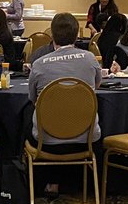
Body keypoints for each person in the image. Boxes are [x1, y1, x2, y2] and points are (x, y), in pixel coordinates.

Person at [28, 12, 102, 145]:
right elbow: (96, 86)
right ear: (76, 36)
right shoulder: (91, 59)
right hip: (87, 137)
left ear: (53, 36)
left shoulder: (38, 64)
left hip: (46, 139)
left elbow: (33, 100)